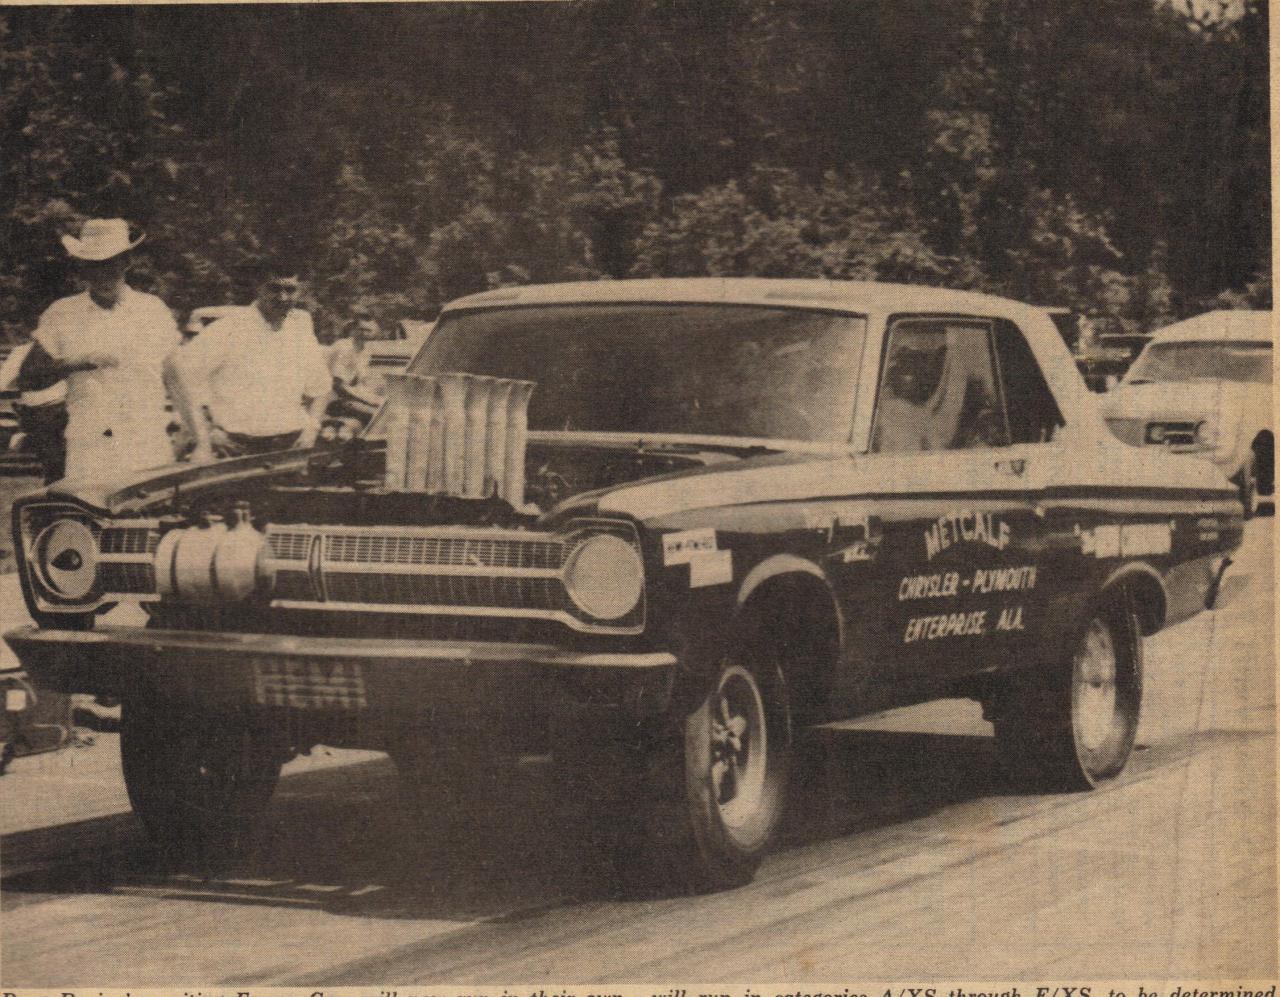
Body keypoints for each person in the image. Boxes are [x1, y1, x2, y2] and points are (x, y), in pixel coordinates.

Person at [17, 218, 179, 482]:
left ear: (127, 262)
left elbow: (177, 377)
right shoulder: (62, 313)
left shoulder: (153, 311)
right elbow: (29, 376)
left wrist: (201, 440)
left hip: (147, 445)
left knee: (149, 508)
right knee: (87, 509)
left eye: (110, 265)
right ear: (82, 267)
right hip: (90, 448)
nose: (102, 275)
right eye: (93, 267)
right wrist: (78, 362)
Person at [167, 258, 331, 460]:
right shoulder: (228, 329)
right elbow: (179, 377)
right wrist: (206, 431)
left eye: (290, 290)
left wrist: (312, 428)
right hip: (235, 448)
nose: (282, 297)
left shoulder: (300, 331)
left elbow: (321, 388)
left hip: (291, 446)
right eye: (274, 289)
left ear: (300, 291)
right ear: (258, 287)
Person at [327, 308, 386, 415]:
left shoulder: (365, 350)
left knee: (385, 409)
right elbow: (337, 386)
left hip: (347, 397)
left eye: (368, 330)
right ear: (354, 329)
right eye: (361, 329)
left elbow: (359, 382)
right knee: (378, 415)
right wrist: (370, 400)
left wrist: (374, 397)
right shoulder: (344, 347)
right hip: (330, 399)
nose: (365, 333)